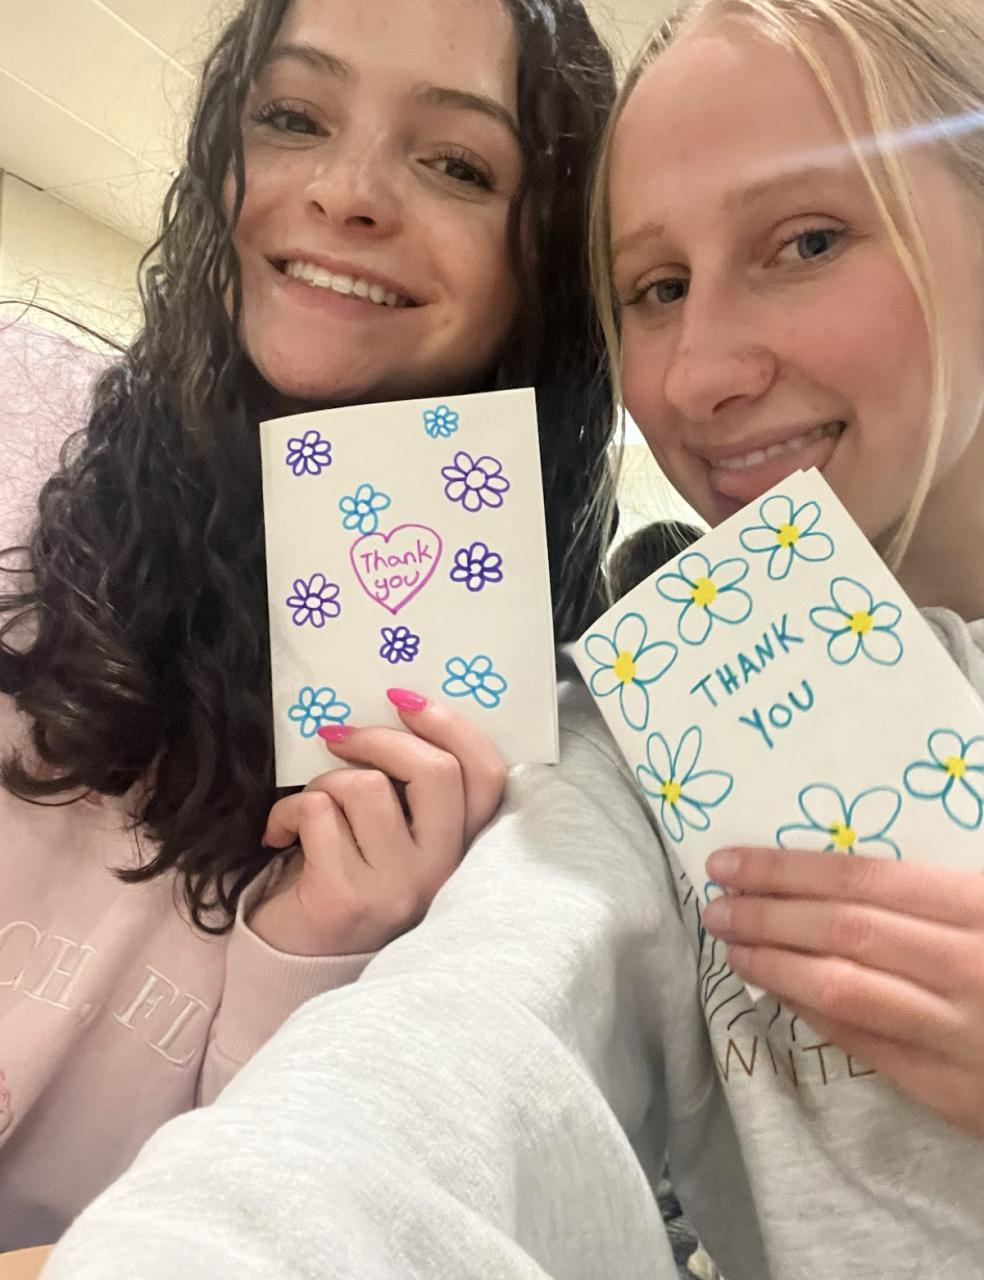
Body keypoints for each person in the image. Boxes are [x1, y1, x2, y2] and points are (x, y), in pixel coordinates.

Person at [38, 1, 984, 1277]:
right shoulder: (640, 729)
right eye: (656, 289)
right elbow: (452, 1058)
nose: (698, 373)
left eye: (806, 240)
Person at [0, 0, 616, 1252]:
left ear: (544, 267)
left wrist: (316, 954)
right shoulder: (22, 457)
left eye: (458, 163)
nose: (346, 192)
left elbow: (285, 1230)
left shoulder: (539, 786)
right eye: (292, 116)